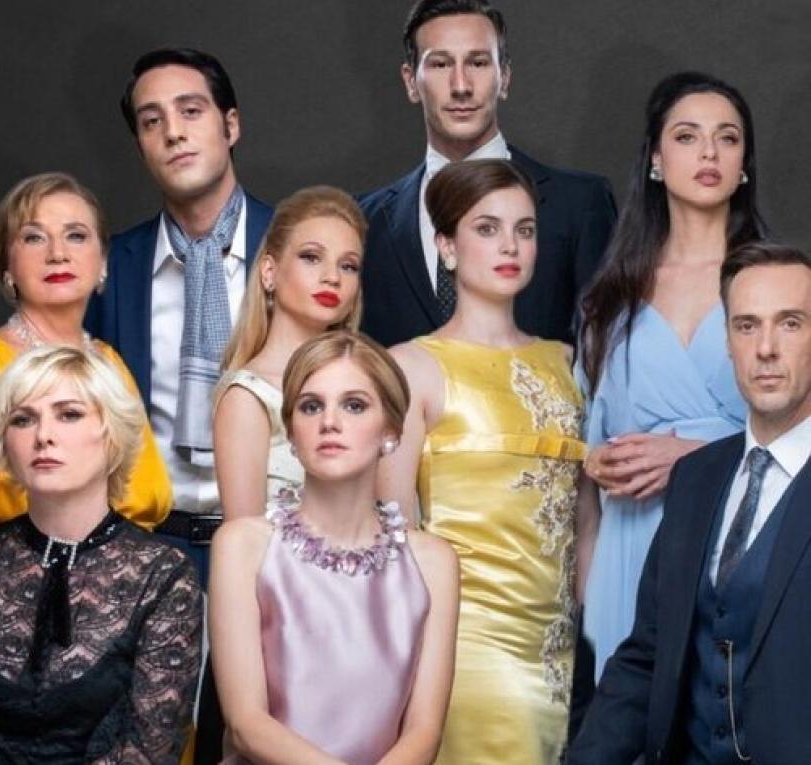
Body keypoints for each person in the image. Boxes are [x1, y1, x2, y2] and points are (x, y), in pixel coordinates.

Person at [570, 242, 811, 764]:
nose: (766, 348)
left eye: (790, 324)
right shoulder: (697, 478)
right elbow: (646, 657)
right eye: (746, 326)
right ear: (728, 342)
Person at [378, 159, 585, 763]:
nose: (510, 246)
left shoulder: (568, 363)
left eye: (524, 230)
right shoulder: (411, 367)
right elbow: (394, 537)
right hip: (467, 646)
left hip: (564, 652)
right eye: (487, 228)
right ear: (447, 245)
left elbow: (588, 517)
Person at [0, 345, 203, 764]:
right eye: (23, 419)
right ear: (4, 441)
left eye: (68, 414)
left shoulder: (164, 576)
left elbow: (148, 751)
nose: (43, 435)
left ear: (111, 434)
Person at [575, 72, 765, 682]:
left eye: (727, 138)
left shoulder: (778, 285)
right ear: (656, 160)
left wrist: (695, 458)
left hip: (743, 546)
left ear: (743, 165)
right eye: (687, 136)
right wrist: (588, 595)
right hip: (628, 552)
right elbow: (584, 465)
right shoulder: (610, 298)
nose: (709, 152)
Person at [212, 330, 459, 764]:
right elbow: (246, 724)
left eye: (354, 405)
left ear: (391, 431)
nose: (329, 422)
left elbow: (425, 732)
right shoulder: (242, 546)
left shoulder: (434, 562)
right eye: (311, 406)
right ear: (292, 433)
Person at [85, 47, 273, 575]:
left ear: (230, 126)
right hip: (146, 552)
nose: (173, 132)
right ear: (141, 146)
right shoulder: (110, 270)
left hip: (278, 548)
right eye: (152, 121)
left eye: (191, 111)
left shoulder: (297, 248)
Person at [358, 0, 616, 348]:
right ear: (411, 82)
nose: (461, 85)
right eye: (440, 64)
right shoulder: (364, 221)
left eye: (478, 62)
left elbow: (605, 354)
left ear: (504, 77)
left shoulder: (580, 205)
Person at [0, 172, 171, 532]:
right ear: (7, 267)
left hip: (137, 563)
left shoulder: (109, 362)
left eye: (76, 236)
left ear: (103, 262)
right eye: (34, 237)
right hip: (14, 567)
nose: (57, 254)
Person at [215, 187, 366, 521]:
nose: (332, 277)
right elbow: (243, 540)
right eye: (311, 257)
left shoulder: (369, 386)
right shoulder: (247, 396)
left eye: (348, 266)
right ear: (269, 272)